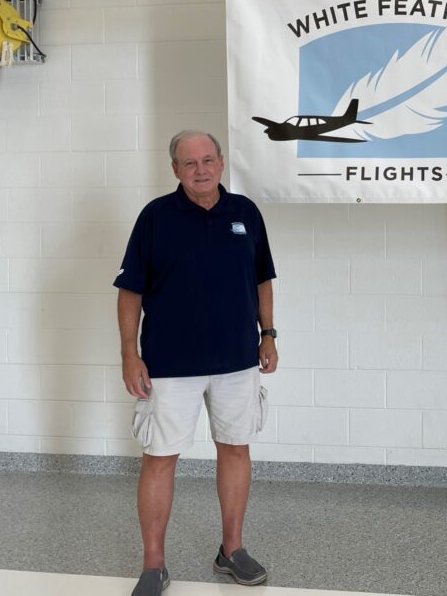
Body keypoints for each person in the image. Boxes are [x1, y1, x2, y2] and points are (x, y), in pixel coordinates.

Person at [115, 130, 278, 595]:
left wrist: (268, 335)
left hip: (237, 361)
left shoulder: (245, 213)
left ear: (221, 162)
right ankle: (153, 565)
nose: (200, 169)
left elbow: (263, 279)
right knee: (159, 458)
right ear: (175, 169)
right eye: (189, 163)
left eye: (208, 160)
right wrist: (129, 353)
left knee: (236, 449)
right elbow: (130, 291)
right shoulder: (155, 217)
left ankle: (232, 549)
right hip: (169, 364)